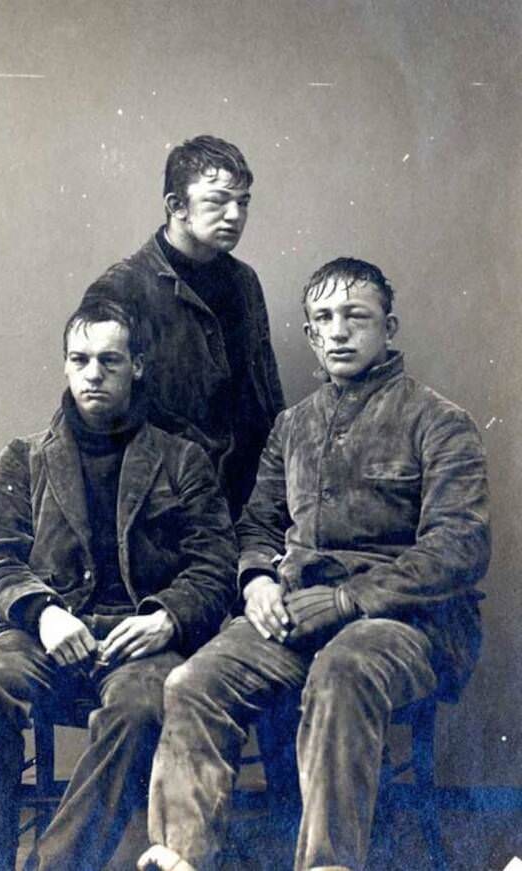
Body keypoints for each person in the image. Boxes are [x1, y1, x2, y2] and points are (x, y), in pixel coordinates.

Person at [138, 257, 491, 871]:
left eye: (356, 317)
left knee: (343, 670)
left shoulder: (441, 423)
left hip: (407, 626)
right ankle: (179, 858)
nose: (338, 331)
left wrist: (351, 599)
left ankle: (328, 863)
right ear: (309, 335)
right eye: (323, 318)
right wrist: (256, 582)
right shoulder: (292, 427)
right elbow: (256, 526)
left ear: (390, 327)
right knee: (191, 682)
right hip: (294, 616)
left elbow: (458, 548)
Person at [0, 295, 238, 871]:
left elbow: (215, 565)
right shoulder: (25, 457)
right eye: (79, 359)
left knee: (141, 706)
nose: (93, 374)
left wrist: (167, 617)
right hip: (47, 633)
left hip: (142, 641)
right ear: (64, 365)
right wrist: (45, 613)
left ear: (138, 367)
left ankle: (54, 866)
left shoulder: (183, 460)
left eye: (109, 360)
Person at [82, 134, 284, 518]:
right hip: (165, 506)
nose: (234, 215)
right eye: (217, 201)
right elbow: (100, 414)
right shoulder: (121, 290)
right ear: (176, 206)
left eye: (242, 203)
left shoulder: (245, 282)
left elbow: (266, 396)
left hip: (249, 500)